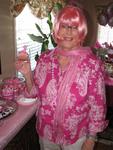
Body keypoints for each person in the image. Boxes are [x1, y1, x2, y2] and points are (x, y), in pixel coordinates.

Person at [15, 5, 108, 150]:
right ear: (57, 28)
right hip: (46, 133)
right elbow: (33, 93)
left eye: (74, 27)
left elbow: (98, 106)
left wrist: (91, 139)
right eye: (64, 25)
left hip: (76, 136)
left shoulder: (92, 64)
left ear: (81, 31)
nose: (68, 31)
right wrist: (27, 74)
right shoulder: (45, 59)